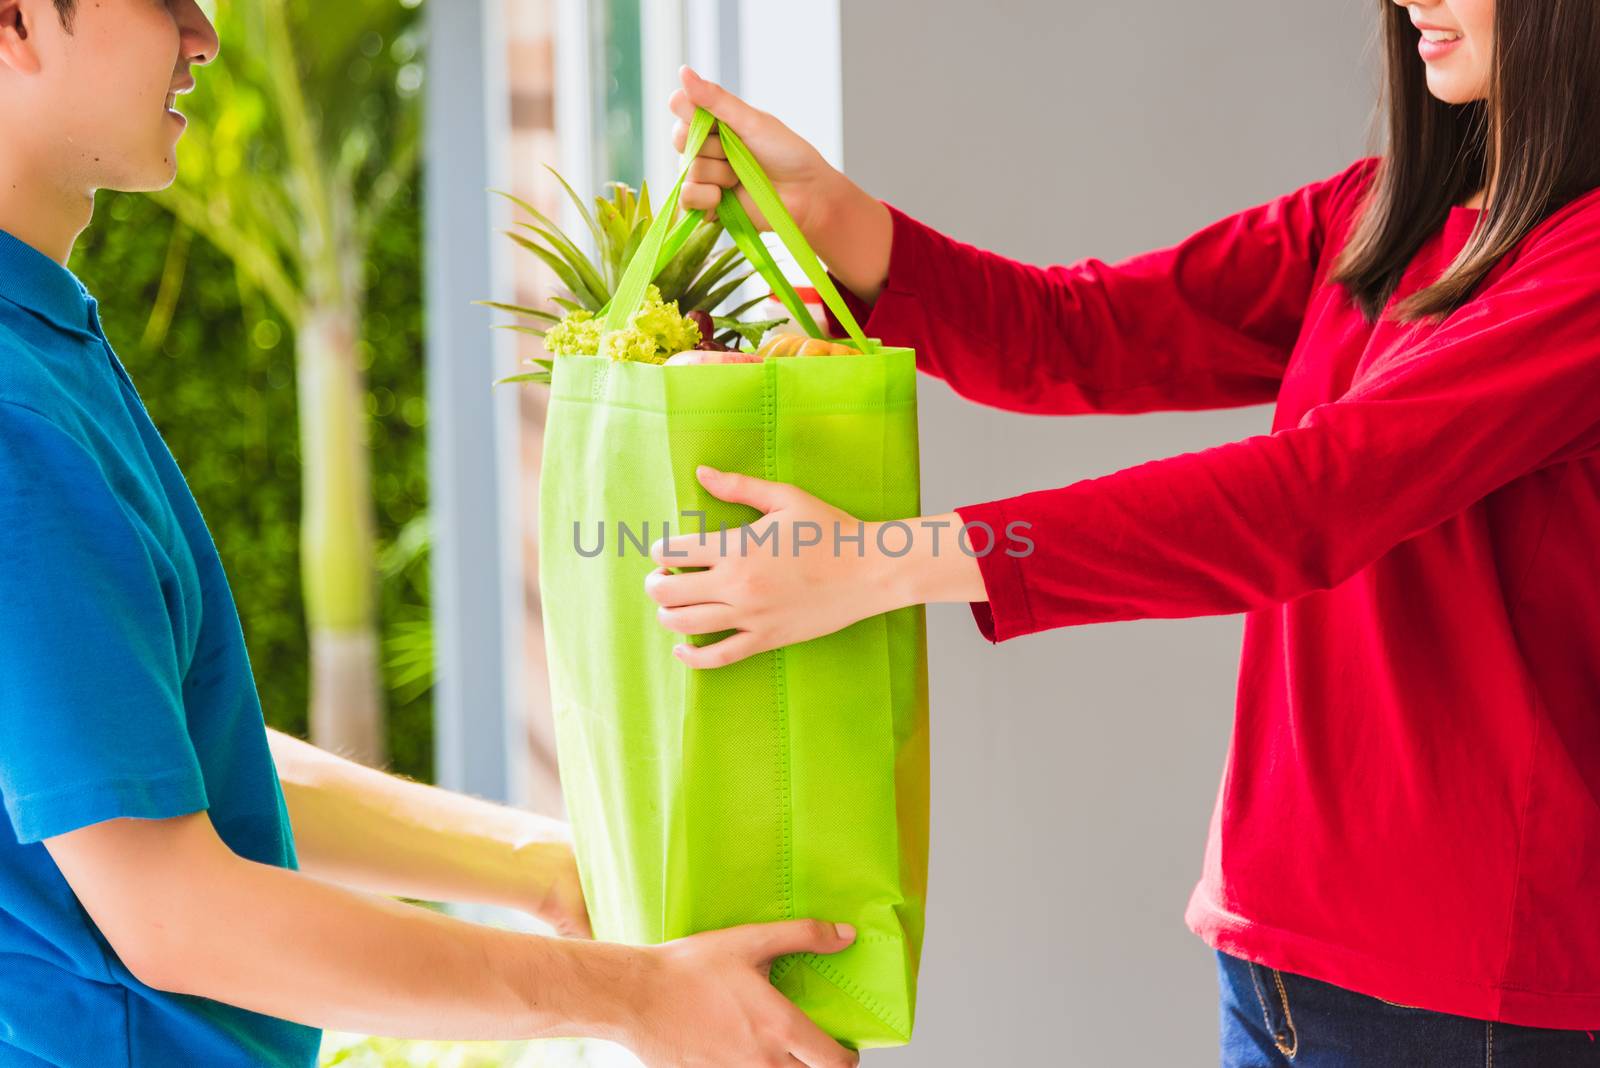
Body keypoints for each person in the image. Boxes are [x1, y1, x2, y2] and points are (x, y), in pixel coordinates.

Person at [651, 0, 1600, 1063]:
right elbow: (1088, 335)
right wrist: (841, 220)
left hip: (1465, 985)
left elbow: (1313, 497)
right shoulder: (1383, 215)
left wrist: (886, 561)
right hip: (1278, 942)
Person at [0, 2, 860, 1066]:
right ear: (16, 21)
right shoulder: (14, 415)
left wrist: (542, 867)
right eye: (163, 0)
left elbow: (141, 762)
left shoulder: (40, 341)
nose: (203, 35)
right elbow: (173, 912)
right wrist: (636, 996)